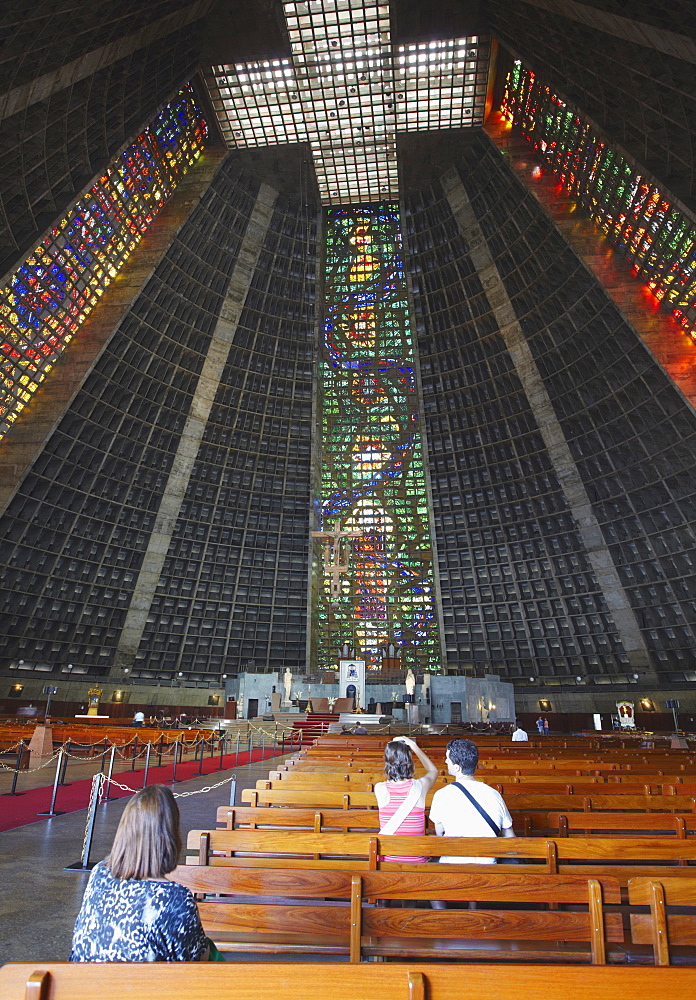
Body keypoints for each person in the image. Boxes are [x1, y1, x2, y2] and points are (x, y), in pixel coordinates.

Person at [70, 785, 209, 962]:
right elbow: (198, 960)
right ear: (170, 835)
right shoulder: (175, 898)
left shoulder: (98, 874)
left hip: (81, 985)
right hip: (141, 988)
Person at [429, 738, 514, 865]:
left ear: (457, 768)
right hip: (488, 865)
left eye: (447, 758)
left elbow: (440, 833)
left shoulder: (443, 795)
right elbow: (509, 835)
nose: (446, 761)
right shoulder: (494, 794)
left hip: (452, 864)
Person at [374, 736, 438, 862]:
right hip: (418, 862)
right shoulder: (420, 786)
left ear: (387, 761)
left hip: (389, 863)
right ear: (409, 761)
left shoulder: (380, 789)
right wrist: (413, 745)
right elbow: (433, 770)